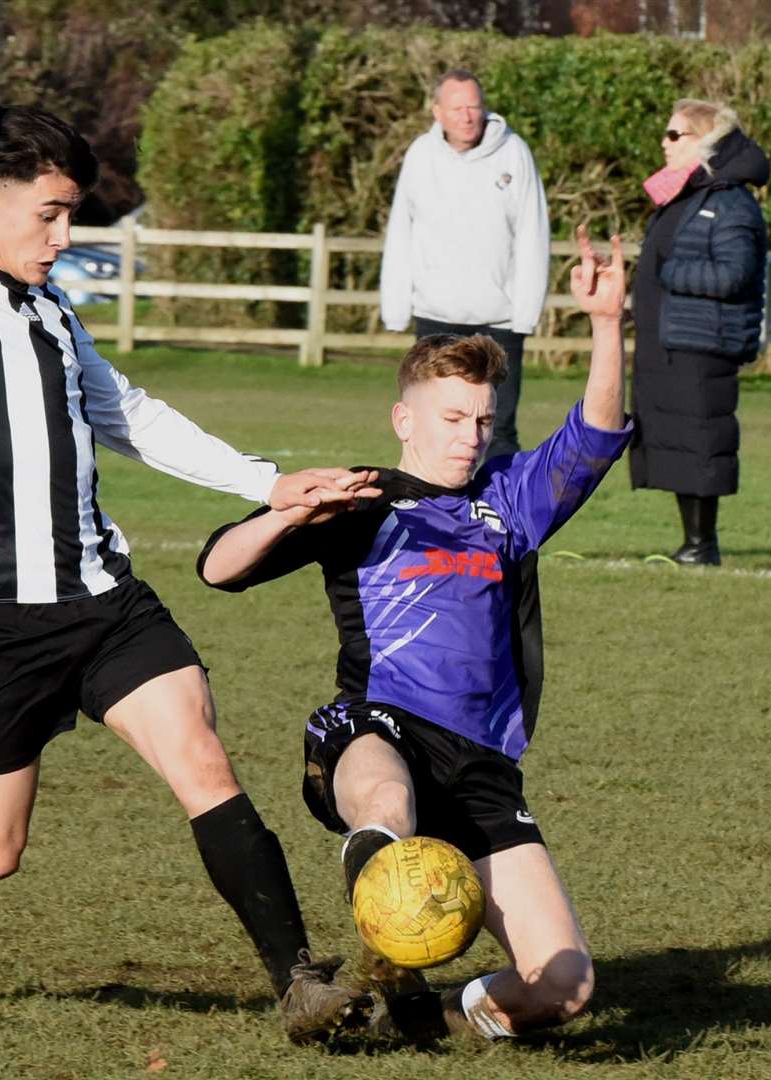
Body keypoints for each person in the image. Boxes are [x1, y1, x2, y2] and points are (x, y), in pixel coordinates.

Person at [0, 41, 382, 1047]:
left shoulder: (53, 312)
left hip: (102, 599)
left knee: (201, 758)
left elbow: (131, 416)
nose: (61, 238)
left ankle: (300, 985)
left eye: (71, 217)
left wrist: (267, 482)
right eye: (46, 214)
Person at [197, 226, 631, 1045]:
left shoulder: (510, 501)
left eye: (481, 419)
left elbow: (595, 436)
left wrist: (606, 324)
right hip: (376, 727)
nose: (469, 434)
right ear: (404, 417)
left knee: (568, 985)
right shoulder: (359, 500)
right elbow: (219, 568)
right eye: (451, 416)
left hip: (480, 764)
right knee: (388, 803)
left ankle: (444, 1012)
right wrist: (288, 509)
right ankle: (389, 952)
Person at [380, 68, 549, 462]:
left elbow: (532, 233)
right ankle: (428, 515)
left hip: (499, 322)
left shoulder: (513, 152)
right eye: (457, 108)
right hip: (435, 318)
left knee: (497, 428)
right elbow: (401, 230)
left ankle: (502, 519)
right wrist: (395, 308)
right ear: (438, 111)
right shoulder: (421, 154)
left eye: (474, 106)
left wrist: (525, 313)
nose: (467, 116)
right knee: (431, 427)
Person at [629, 99, 769, 565]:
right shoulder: (686, 195)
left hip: (702, 343)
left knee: (700, 441)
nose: (664, 144)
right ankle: (693, 542)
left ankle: (701, 543)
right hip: (670, 341)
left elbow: (735, 274)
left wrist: (670, 275)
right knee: (677, 440)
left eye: (675, 135)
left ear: (704, 141)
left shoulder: (730, 202)